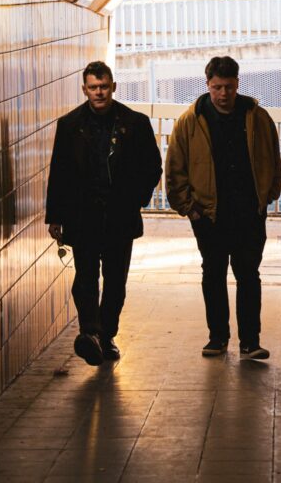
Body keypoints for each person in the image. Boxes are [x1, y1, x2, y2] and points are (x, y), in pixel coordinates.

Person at [166, 56, 281, 360]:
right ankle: (217, 338)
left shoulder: (258, 117)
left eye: (228, 87)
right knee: (214, 274)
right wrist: (189, 209)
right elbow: (175, 169)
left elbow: (274, 159)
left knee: (248, 275)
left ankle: (250, 342)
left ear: (237, 84)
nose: (223, 93)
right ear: (207, 85)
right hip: (209, 215)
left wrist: (267, 196)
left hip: (248, 213)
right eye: (217, 87)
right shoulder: (189, 121)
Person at [45, 61, 163, 365]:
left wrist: (135, 199)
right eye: (94, 87)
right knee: (85, 278)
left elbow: (152, 166)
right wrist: (55, 215)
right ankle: (91, 333)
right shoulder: (69, 125)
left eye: (104, 86)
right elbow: (58, 172)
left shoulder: (134, 123)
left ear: (113, 87)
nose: (99, 92)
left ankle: (106, 334)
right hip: (83, 216)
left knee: (114, 282)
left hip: (119, 217)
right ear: (84, 89)